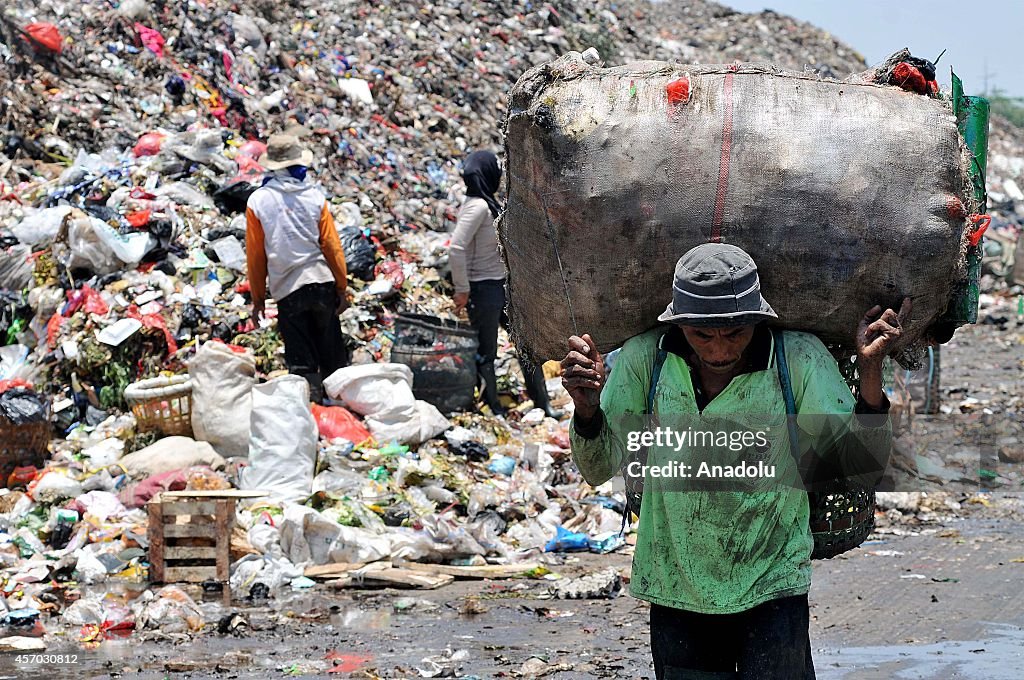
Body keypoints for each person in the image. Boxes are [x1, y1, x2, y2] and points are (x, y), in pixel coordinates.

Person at [562, 243, 909, 679]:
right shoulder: (643, 360)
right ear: (677, 322)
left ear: (758, 319)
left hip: (773, 582)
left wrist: (870, 370)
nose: (720, 349)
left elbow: (860, 464)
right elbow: (597, 469)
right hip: (675, 584)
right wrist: (588, 409)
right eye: (702, 335)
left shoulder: (796, 359)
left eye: (735, 333)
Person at [449, 150, 560, 418]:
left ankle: (542, 404)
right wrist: (462, 289)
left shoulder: (488, 202)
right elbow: (456, 248)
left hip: (502, 286)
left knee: (526, 347)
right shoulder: (476, 207)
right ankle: (495, 409)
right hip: (483, 289)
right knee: (487, 352)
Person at [246, 133, 350, 402]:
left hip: (288, 290)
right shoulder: (314, 197)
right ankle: (342, 410)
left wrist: (258, 299)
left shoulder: (258, 201)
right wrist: (341, 287)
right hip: (321, 282)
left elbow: (257, 257)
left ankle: (314, 413)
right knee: (332, 354)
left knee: (302, 363)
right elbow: (331, 246)